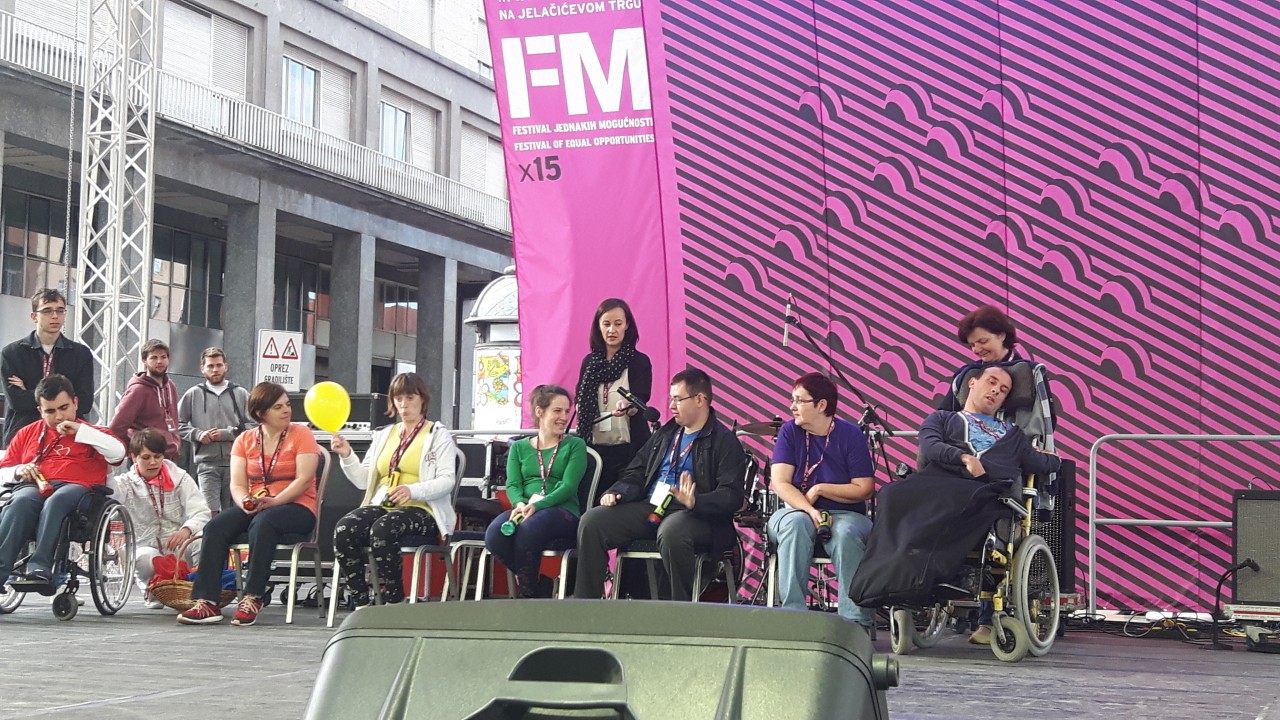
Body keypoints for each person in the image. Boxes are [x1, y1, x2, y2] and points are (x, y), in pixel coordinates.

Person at [847, 366, 1061, 644]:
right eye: (991, 382)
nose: (996, 391)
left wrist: (1050, 456)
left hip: (985, 492)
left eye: (1004, 390)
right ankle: (882, 581)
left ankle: (929, 577)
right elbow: (930, 446)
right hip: (939, 481)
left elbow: (1044, 463)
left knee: (955, 501)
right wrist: (964, 458)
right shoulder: (942, 418)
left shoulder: (1014, 435)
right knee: (891, 494)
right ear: (972, 383)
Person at [574, 368, 745, 602]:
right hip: (653, 506)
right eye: (671, 399)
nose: (671, 406)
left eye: (678, 399)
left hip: (697, 515)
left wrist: (696, 501)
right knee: (593, 521)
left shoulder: (724, 441)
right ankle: (586, 605)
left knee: (672, 530)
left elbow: (732, 495)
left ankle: (678, 611)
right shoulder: (666, 433)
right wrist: (617, 491)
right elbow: (637, 471)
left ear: (700, 399)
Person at [177, 382, 321, 626]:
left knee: (264, 522)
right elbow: (237, 484)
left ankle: (253, 596)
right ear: (260, 413)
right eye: (278, 407)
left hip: (297, 507)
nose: (287, 410)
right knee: (216, 526)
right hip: (259, 505)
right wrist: (244, 501)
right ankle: (207, 601)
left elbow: (304, 479)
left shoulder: (302, 434)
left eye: (287, 405)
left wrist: (275, 501)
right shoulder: (245, 440)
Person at [329, 373, 458, 606]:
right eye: (398, 399)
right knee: (344, 528)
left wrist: (412, 490)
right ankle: (360, 601)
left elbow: (447, 480)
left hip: (423, 509)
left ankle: (394, 599)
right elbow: (363, 481)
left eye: (410, 398)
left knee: (383, 529)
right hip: (384, 504)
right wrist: (347, 455)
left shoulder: (438, 435)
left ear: (422, 399)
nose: (404, 404)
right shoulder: (383, 435)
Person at [767, 372, 875, 629]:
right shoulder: (789, 431)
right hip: (796, 511)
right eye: (792, 400)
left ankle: (854, 622)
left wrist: (820, 489)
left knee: (846, 534)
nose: (792, 406)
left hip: (845, 515)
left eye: (799, 400)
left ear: (821, 405)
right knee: (796, 524)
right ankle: (793, 616)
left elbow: (864, 489)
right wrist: (809, 509)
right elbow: (780, 482)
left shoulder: (850, 435)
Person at [0, 374, 124, 588]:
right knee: (20, 501)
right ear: (40, 411)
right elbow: (3, 471)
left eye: (64, 408)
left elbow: (119, 453)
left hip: (78, 490)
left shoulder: (95, 434)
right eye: (50, 411)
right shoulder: (26, 433)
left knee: (57, 500)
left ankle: (40, 566)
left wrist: (81, 431)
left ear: (75, 402)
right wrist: (19, 470)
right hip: (34, 486)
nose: (59, 416)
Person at [485, 385, 586, 598]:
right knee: (495, 535)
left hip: (562, 511)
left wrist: (537, 505)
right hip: (525, 508)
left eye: (567, 411)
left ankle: (527, 595)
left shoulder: (575, 445)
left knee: (529, 529)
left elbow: (568, 487)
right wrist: (520, 504)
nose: (564, 417)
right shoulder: (518, 447)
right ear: (540, 412)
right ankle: (538, 586)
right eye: (557, 411)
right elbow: (513, 485)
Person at [111, 428, 210, 609]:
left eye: (157, 456)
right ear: (134, 457)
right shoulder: (125, 483)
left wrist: (186, 529)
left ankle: (199, 590)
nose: (153, 462)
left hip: (178, 543)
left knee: (201, 541)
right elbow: (110, 493)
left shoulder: (180, 478)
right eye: (146, 457)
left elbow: (201, 511)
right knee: (143, 557)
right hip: (145, 545)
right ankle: (152, 589)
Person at [573, 299, 652, 507]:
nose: (612, 330)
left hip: (629, 448)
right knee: (591, 503)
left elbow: (642, 398)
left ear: (627, 325)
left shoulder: (639, 361)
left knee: (621, 505)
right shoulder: (590, 362)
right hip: (594, 447)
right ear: (598, 327)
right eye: (606, 324)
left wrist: (629, 407)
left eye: (618, 324)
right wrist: (581, 406)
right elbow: (578, 395)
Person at [1, 289, 95, 448]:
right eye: (47, 311)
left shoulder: (80, 354)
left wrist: (29, 392)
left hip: (67, 435)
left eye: (60, 311)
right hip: (24, 435)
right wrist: (65, 401)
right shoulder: (12, 353)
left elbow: (85, 402)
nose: (55, 316)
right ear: (34, 316)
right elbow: (16, 402)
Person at [178, 347, 254, 514]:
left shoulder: (241, 393)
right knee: (209, 511)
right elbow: (177, 423)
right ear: (202, 368)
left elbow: (254, 425)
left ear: (226, 366)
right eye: (210, 366)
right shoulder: (193, 394)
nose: (215, 370)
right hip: (206, 464)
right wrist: (198, 434)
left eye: (219, 365)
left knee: (235, 512)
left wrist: (228, 434)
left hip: (236, 463)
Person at [939, 305, 1020, 414]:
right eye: (972, 345)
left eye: (983, 341)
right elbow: (943, 416)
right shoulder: (965, 374)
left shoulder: (1030, 373)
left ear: (1001, 335)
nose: (976, 350)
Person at [110, 339, 181, 460]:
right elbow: (116, 427)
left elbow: (174, 420)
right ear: (144, 361)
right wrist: (134, 450)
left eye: (163, 357)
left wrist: (176, 443)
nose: (159, 361)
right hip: (146, 459)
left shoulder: (170, 386)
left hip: (169, 456)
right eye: (154, 358)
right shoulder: (138, 390)